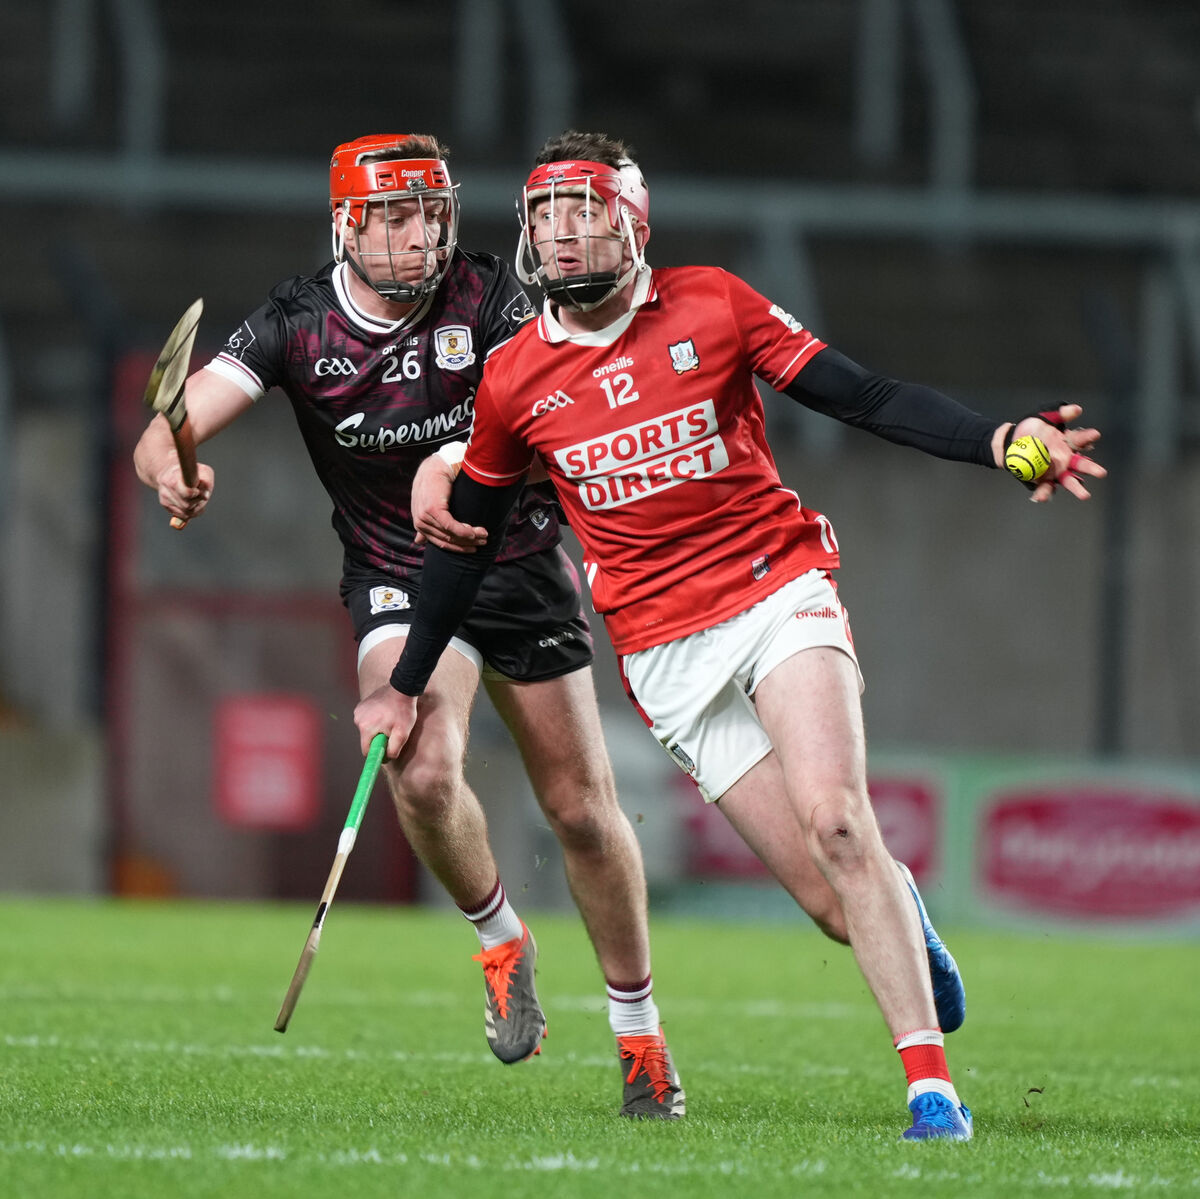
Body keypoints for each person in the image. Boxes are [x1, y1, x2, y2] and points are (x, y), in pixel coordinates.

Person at [354, 130, 1107, 1142]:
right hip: (668, 656)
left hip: (776, 589)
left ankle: (933, 1093)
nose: (563, 234)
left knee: (839, 819)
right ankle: (901, 910)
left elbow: (864, 395)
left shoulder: (714, 302)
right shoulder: (514, 379)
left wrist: (995, 437)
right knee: (838, 902)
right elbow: (465, 545)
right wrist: (404, 681)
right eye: (544, 216)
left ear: (633, 221)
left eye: (584, 210)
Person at [133, 133, 686, 1119]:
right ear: (346, 224)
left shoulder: (492, 298)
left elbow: (553, 395)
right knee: (419, 762)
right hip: (394, 574)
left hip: (515, 564)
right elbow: (167, 425)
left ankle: (640, 1035)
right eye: (390, 215)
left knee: (583, 813)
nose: (415, 233)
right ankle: (502, 939)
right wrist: (173, 467)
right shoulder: (297, 323)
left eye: (428, 211)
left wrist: (465, 465)